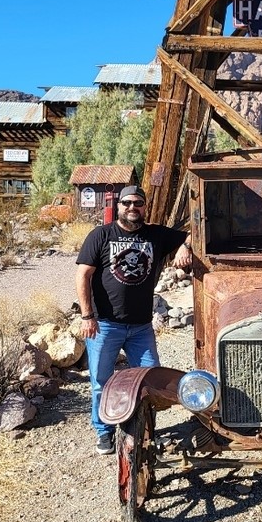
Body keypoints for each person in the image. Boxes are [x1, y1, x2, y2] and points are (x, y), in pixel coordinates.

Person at [76, 185, 192, 454]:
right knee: (101, 382)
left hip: (141, 326)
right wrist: (87, 316)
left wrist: (184, 247)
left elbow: (197, 231)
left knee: (151, 380)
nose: (132, 207)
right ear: (118, 206)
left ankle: (142, 429)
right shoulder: (101, 236)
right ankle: (104, 432)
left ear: (144, 206)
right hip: (105, 324)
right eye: (127, 202)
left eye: (137, 203)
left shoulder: (156, 235)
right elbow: (83, 275)